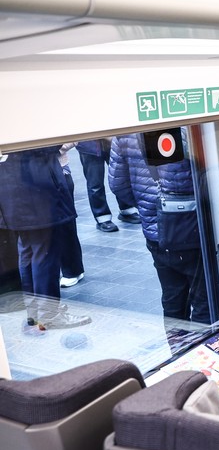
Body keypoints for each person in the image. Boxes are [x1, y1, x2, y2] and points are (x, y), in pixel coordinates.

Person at [108, 131, 210, 352]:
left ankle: (179, 352)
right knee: (202, 298)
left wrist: (148, 208)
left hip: (155, 233)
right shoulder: (186, 128)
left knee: (172, 297)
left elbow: (117, 184)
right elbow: (193, 179)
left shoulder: (125, 133)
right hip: (190, 228)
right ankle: (204, 355)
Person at [0, 146, 91, 330]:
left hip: (15, 189)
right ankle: (48, 315)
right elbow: (46, 144)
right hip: (35, 188)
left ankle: (36, 312)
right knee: (44, 253)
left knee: (28, 250)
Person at [76, 139, 141, 232]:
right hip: (89, 145)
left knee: (121, 177)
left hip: (111, 143)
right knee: (95, 184)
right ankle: (102, 217)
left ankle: (127, 210)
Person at [58, 143, 85, 287]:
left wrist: (53, 149)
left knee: (65, 223)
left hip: (59, 169)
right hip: (25, 172)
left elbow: (73, 137)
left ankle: (72, 270)